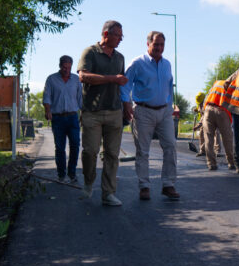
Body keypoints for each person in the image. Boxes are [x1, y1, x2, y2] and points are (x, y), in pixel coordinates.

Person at [122, 31, 180, 201]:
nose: (159, 48)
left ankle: (168, 184)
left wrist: (169, 107)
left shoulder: (167, 64)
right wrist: (126, 104)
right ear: (148, 44)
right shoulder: (137, 63)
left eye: (162, 45)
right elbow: (125, 85)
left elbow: (169, 87)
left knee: (170, 146)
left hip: (164, 112)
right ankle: (144, 186)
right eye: (156, 45)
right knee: (143, 151)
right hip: (143, 111)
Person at [77, 21, 128, 206]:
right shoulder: (90, 52)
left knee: (112, 155)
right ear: (106, 34)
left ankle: (108, 193)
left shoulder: (120, 58)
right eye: (118, 35)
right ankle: (88, 182)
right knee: (90, 151)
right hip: (92, 112)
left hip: (114, 111)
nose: (121, 39)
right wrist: (111, 78)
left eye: (122, 36)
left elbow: (121, 84)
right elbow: (83, 76)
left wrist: (127, 105)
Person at [43, 55, 83, 183]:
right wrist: (47, 111)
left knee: (75, 145)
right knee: (60, 148)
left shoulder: (76, 80)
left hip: (72, 117)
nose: (66, 70)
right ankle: (61, 174)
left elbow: (80, 99)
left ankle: (72, 173)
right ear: (60, 66)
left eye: (69, 67)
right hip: (58, 118)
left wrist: (84, 113)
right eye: (64, 67)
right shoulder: (51, 79)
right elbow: (47, 97)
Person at [202, 79, 235, 171]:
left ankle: (211, 164)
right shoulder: (233, 86)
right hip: (222, 111)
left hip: (208, 109)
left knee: (208, 138)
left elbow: (206, 98)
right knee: (227, 138)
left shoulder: (216, 83)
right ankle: (231, 163)